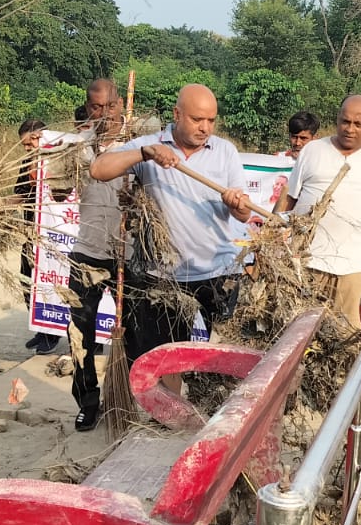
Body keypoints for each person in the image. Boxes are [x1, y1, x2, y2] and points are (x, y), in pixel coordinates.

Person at [90, 84, 253, 378]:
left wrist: (236, 204)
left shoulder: (225, 151)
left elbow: (244, 213)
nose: (205, 128)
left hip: (219, 271)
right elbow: (99, 169)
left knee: (224, 357)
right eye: (197, 119)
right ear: (177, 114)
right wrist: (144, 154)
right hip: (165, 277)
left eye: (211, 120)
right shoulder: (152, 145)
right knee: (166, 360)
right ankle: (169, 421)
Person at [274, 95, 361, 328]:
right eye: (345, 121)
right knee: (298, 332)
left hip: (349, 269)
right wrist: (272, 240)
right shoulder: (312, 150)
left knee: (343, 335)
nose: (350, 129)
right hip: (305, 264)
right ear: (337, 119)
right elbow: (288, 200)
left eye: (358, 124)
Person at [62, 80, 125, 431]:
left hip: (127, 256)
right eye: (96, 108)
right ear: (88, 109)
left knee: (133, 334)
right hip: (86, 252)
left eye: (110, 107)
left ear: (121, 107)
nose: (104, 115)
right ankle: (87, 401)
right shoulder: (77, 148)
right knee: (79, 333)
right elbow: (58, 194)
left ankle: (126, 397)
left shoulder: (138, 148)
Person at [17, 118, 59, 356]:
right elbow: (20, 194)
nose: (27, 149)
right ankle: (41, 328)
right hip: (32, 232)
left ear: (40, 137)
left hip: (54, 236)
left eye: (29, 144)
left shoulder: (60, 161)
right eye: (23, 146)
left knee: (53, 282)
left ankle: (53, 333)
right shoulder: (26, 164)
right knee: (27, 279)